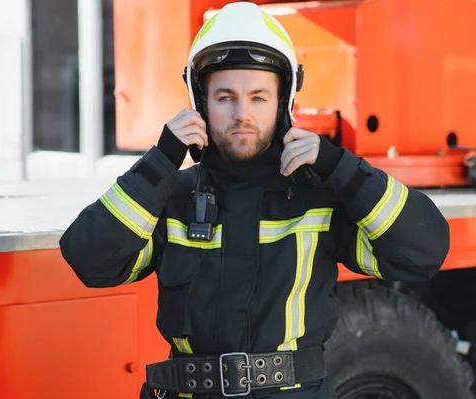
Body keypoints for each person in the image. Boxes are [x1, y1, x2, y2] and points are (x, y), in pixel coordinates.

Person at [59, 2, 450, 398]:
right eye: (225, 97)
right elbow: (92, 263)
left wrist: (342, 168)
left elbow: (423, 252)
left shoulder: (319, 198)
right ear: (201, 103)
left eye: (259, 97)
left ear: (284, 104)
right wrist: (159, 162)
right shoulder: (170, 197)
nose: (242, 114)